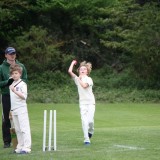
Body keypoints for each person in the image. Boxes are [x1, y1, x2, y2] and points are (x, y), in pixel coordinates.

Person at [0, 47, 27, 148]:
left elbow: (25, 80)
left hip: (18, 96)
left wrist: (18, 87)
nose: (12, 55)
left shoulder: (21, 66)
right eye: (10, 54)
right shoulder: (1, 68)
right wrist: (8, 82)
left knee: (20, 118)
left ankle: (21, 141)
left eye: (14, 53)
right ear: (6, 55)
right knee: (6, 118)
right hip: (6, 95)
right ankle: (7, 141)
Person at [68, 60, 96, 145]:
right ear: (79, 71)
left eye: (84, 69)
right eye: (81, 69)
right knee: (84, 121)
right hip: (82, 103)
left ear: (87, 72)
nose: (82, 70)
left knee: (90, 121)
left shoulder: (89, 79)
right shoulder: (77, 79)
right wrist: (73, 63)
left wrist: (78, 79)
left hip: (91, 102)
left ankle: (91, 130)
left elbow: (84, 86)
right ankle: (86, 139)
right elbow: (69, 71)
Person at [9, 64, 31, 154]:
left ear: (20, 74)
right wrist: (10, 110)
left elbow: (24, 97)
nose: (14, 75)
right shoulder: (12, 84)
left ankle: (27, 147)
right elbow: (12, 99)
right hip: (14, 110)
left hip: (21, 109)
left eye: (16, 73)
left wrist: (15, 91)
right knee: (17, 129)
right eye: (13, 73)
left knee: (24, 128)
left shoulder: (22, 84)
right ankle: (20, 146)